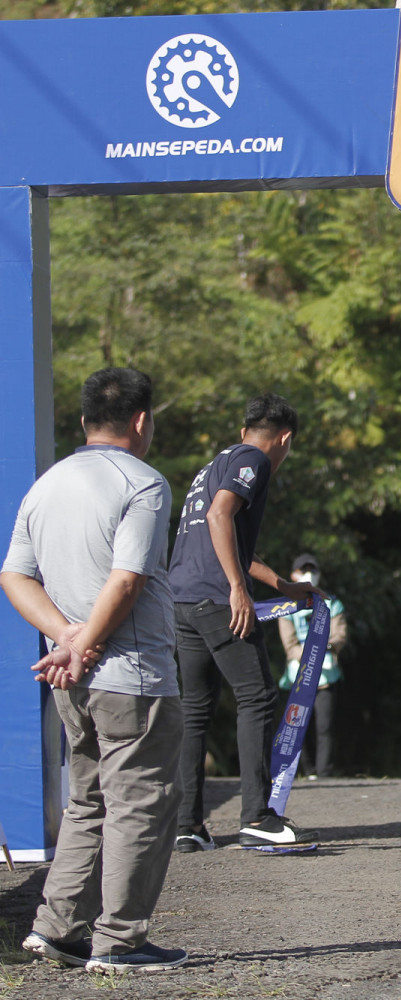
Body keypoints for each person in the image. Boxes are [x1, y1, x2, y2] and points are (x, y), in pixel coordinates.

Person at [1, 368, 188, 971]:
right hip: (133, 676)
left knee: (87, 803)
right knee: (140, 802)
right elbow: (127, 579)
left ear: (84, 421)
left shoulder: (47, 484)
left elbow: (14, 574)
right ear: (142, 421)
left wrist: (66, 638)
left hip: (72, 678)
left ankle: (58, 929)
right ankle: (120, 941)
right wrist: (86, 642)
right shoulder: (143, 483)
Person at [169, 394, 321, 852]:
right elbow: (220, 515)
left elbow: (226, 538)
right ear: (286, 438)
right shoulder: (254, 460)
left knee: (196, 709)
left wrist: (281, 584)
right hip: (218, 599)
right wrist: (237, 588)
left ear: (243, 430)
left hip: (183, 599)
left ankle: (187, 825)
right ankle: (257, 816)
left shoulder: (216, 464)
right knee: (257, 696)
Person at [277, 553, 348, 780]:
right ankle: (307, 771)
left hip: (326, 676)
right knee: (297, 727)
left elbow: (339, 636)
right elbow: (290, 645)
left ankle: (324, 773)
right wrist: (311, 653)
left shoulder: (332, 603)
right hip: (298, 677)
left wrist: (327, 645)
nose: (309, 575)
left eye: (312, 570)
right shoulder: (288, 606)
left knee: (325, 727)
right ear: (293, 575)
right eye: (303, 570)